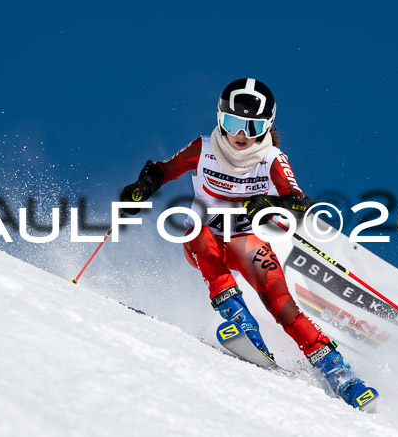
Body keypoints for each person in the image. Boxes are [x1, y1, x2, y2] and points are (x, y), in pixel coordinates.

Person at [119, 78, 379, 410]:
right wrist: (140, 190)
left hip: (244, 239)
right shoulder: (204, 148)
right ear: (219, 119)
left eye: (251, 126)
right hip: (203, 237)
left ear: (266, 127)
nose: (240, 134)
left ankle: (340, 373)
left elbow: (300, 204)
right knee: (197, 228)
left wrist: (269, 203)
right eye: (231, 122)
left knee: (282, 304)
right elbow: (162, 171)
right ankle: (239, 318)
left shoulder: (272, 158)